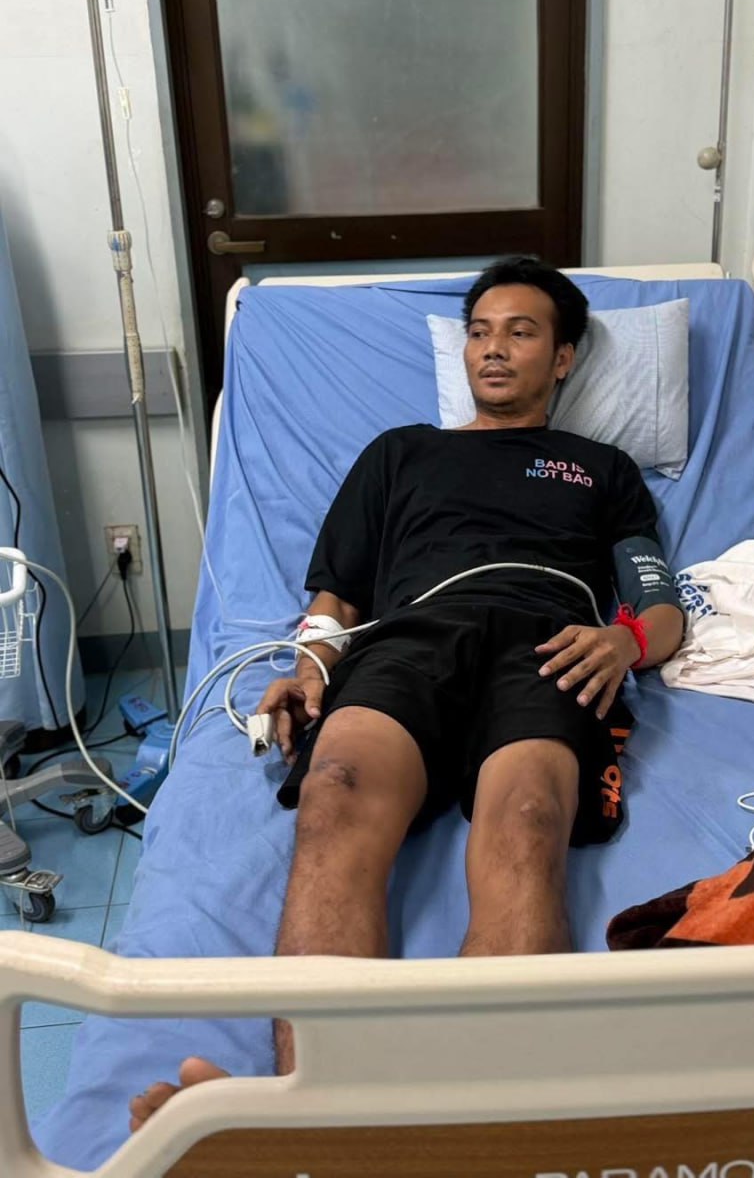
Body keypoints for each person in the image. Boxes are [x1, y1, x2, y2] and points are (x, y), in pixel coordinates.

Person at [129, 256, 684, 1132]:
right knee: (334, 788)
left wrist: (625, 641)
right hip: (411, 639)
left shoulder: (602, 468)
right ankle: (327, 1108)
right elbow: (337, 598)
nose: (493, 349)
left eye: (521, 332)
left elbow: (659, 605)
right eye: (479, 331)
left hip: (547, 645)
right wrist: (313, 666)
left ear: (563, 358)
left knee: (529, 818)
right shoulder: (401, 452)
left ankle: (475, 1122)